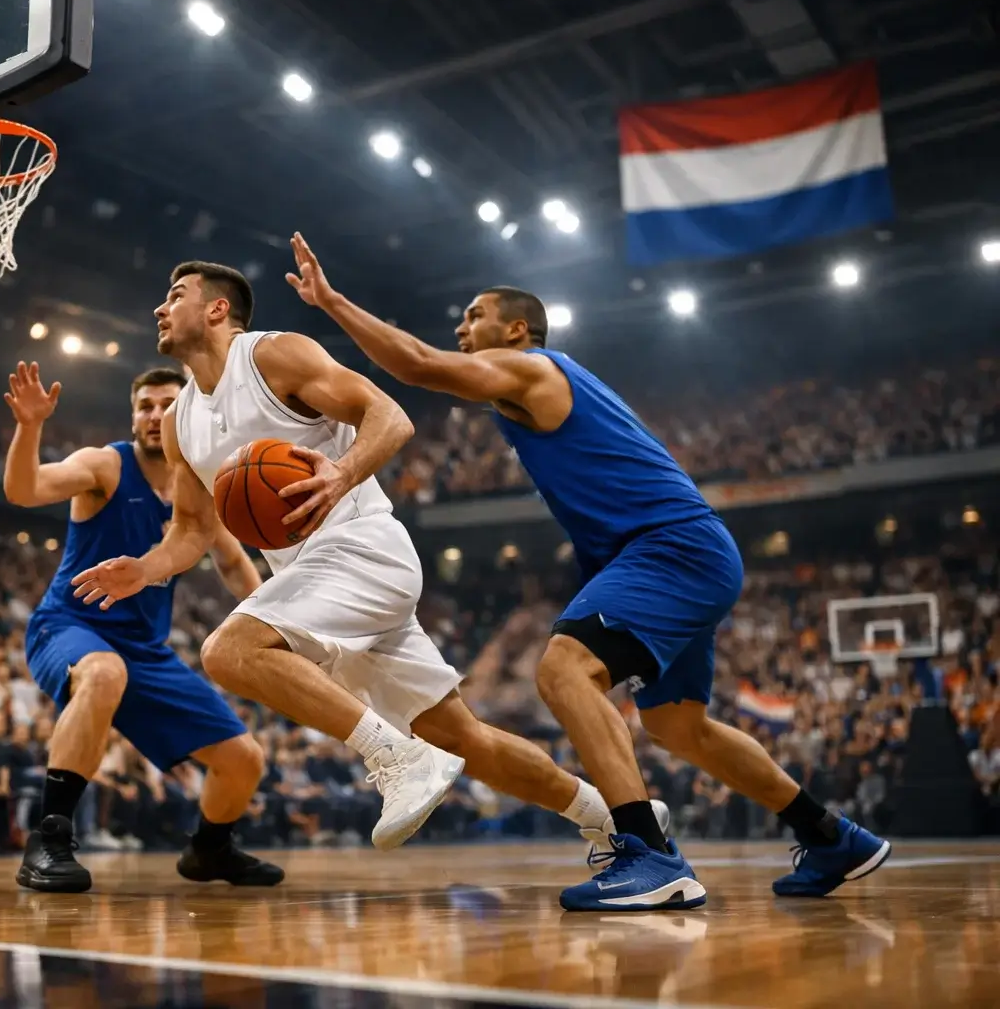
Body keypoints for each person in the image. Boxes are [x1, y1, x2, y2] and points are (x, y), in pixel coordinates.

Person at [280, 232, 891, 910]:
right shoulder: (538, 388)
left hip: (670, 547)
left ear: (516, 329)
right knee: (677, 726)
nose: (461, 326)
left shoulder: (534, 367)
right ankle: (831, 835)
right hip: (679, 550)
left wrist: (332, 302)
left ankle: (648, 855)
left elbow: (422, 365)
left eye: (474, 315)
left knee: (563, 669)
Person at [73, 262, 622, 865]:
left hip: (362, 546)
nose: (159, 308)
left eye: (175, 295)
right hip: (316, 581)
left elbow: (391, 416)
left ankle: (395, 758)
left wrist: (342, 473)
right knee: (464, 738)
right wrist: (147, 569)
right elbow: (193, 529)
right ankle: (610, 819)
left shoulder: (274, 357)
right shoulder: (180, 423)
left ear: (216, 309)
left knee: (230, 651)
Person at [5, 359, 283, 894]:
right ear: (132, 417)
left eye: (168, 405)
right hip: (69, 626)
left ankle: (210, 849)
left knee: (243, 760)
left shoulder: (199, 484)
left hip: (145, 651)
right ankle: (50, 840)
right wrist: (29, 426)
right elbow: (25, 489)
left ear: (190, 414)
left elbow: (229, 560)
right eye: (145, 406)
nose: (156, 415)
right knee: (105, 673)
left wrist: (271, 620)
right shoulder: (105, 467)